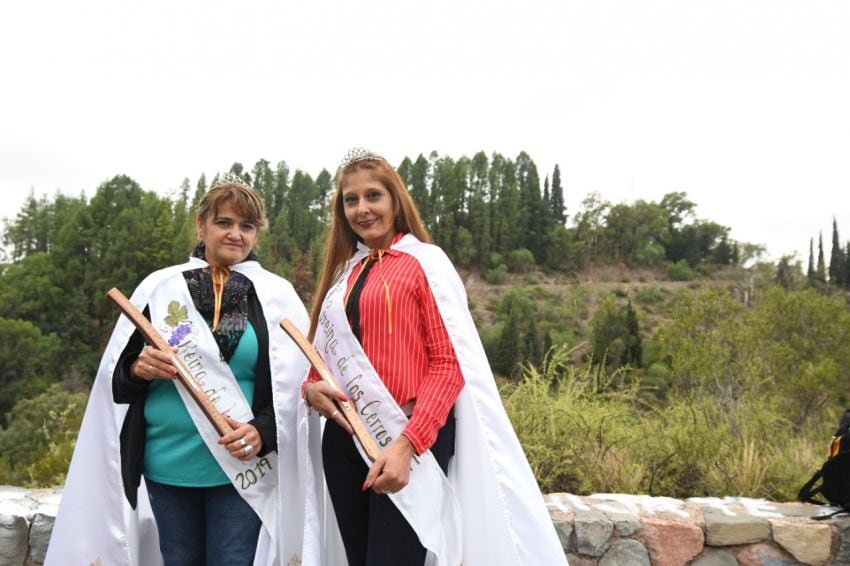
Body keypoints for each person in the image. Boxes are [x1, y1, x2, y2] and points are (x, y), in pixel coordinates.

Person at [298, 148, 567, 566]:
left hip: (409, 436)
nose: (362, 209)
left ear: (395, 201)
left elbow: (448, 363)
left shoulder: (426, 263)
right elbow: (321, 359)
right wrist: (310, 389)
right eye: (351, 200)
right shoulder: (342, 276)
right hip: (344, 441)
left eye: (373, 196)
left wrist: (409, 445)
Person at [46, 178, 310, 566]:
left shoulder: (275, 296)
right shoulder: (160, 288)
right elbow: (117, 383)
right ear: (201, 225)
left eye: (247, 226)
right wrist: (139, 368)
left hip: (240, 468)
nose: (235, 234)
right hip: (166, 466)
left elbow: (297, 390)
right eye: (224, 222)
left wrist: (263, 432)